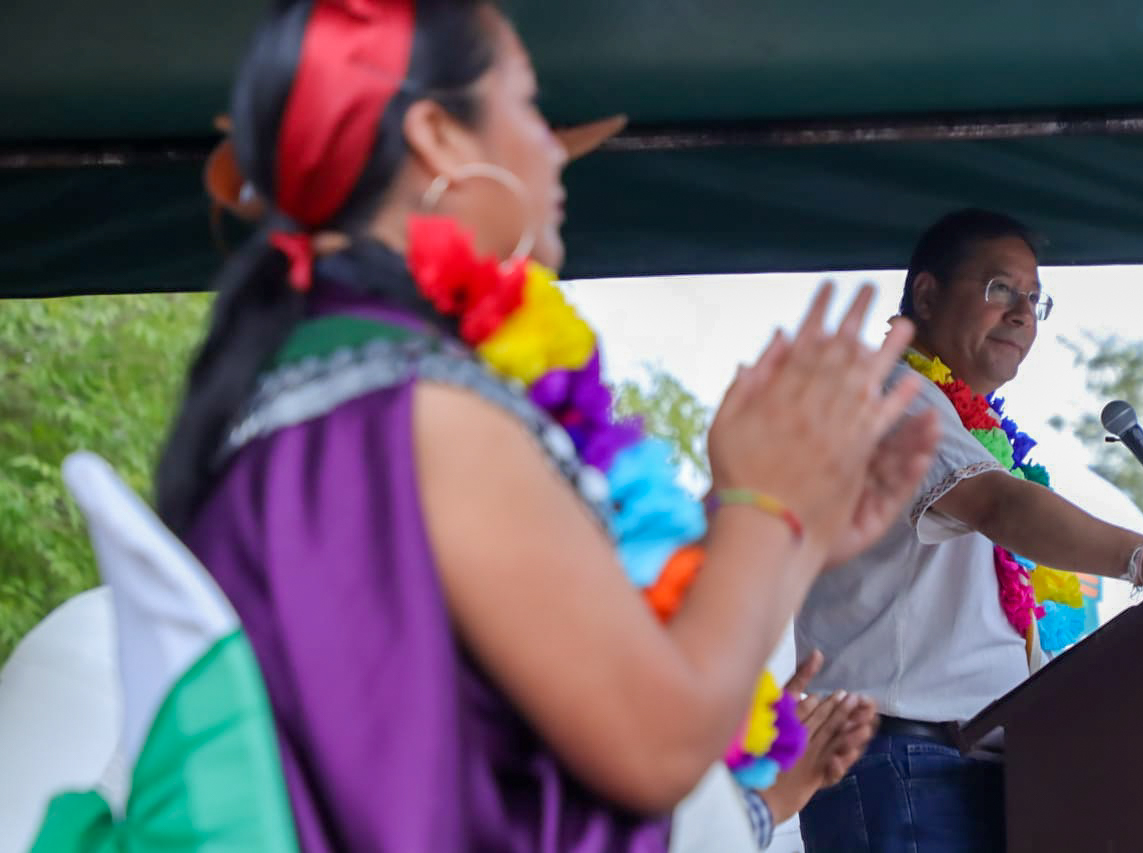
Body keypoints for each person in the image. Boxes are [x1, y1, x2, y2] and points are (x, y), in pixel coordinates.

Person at [153, 1, 940, 850]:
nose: (554, 148)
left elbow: (623, 683)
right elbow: (661, 742)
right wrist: (767, 499)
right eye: (528, 104)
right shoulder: (427, 411)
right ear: (437, 135)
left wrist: (804, 530)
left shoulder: (330, 381)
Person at [796, 208, 1143, 853]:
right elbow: (999, 508)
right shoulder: (888, 390)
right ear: (926, 293)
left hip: (965, 765)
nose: (1022, 314)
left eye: (1035, 299)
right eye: (1000, 289)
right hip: (897, 766)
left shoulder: (972, 424)